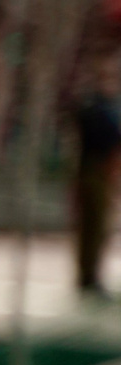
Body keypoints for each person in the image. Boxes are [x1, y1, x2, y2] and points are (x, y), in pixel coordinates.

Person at [74, 50, 121, 296]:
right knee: (93, 227)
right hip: (95, 170)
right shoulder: (94, 107)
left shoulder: (106, 106)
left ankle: (90, 276)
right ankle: (88, 277)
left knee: (98, 228)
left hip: (101, 171)